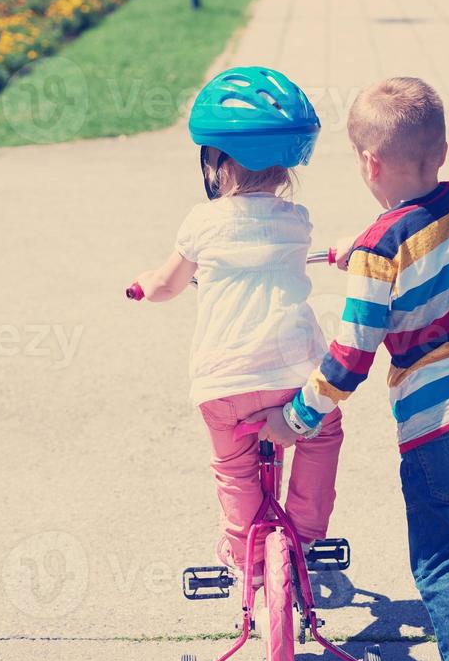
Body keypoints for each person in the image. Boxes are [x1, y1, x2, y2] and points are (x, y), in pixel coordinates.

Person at [247, 76, 449, 661]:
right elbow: (418, 240)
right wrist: (371, 249)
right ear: (441, 150)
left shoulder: (378, 252)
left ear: (367, 164)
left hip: (441, 426)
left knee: (443, 556)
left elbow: (351, 356)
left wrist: (294, 419)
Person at [132, 66, 343, 586]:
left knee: (233, 465)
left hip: (224, 382)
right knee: (321, 434)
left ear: (215, 162)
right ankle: (307, 536)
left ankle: (244, 552)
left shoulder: (200, 223)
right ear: (288, 165)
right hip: (295, 374)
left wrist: (142, 284)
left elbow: (166, 284)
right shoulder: (298, 220)